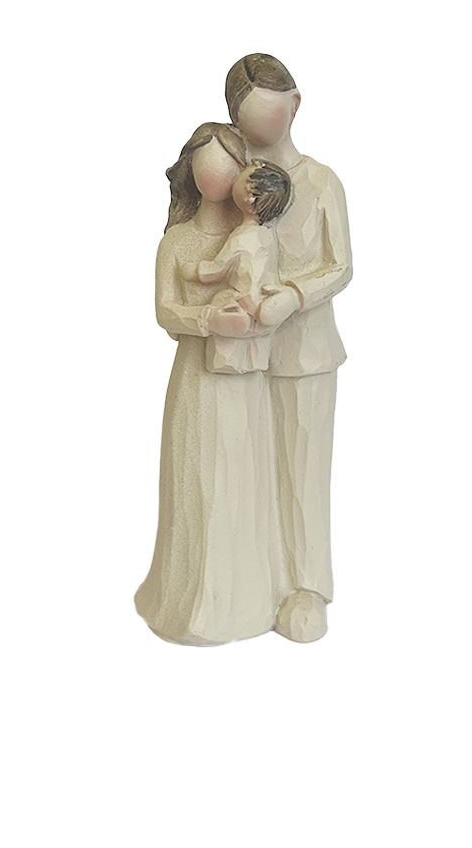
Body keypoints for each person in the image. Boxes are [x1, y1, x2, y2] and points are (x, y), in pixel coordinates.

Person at [134, 123, 287, 645]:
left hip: (244, 379)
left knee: (241, 476)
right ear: (190, 171)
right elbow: (164, 311)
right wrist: (207, 320)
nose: (218, 172)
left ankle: (245, 598)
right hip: (197, 379)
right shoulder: (178, 242)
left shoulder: (256, 235)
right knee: (196, 479)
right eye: (206, 161)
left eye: (229, 161)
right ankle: (187, 599)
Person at [225, 54, 353, 642]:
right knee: (244, 465)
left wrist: (294, 297)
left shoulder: (322, 182)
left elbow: (341, 265)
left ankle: (305, 585)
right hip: (237, 355)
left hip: (305, 354)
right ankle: (253, 580)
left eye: (273, 117)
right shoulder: (231, 185)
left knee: (302, 468)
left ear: (296, 106)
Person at [184, 158, 293, 375]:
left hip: (241, 299)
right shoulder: (267, 236)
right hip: (261, 299)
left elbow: (217, 269)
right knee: (254, 341)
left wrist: (194, 271)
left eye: (243, 174)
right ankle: (253, 357)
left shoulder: (241, 237)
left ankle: (227, 356)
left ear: (249, 196)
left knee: (222, 307)